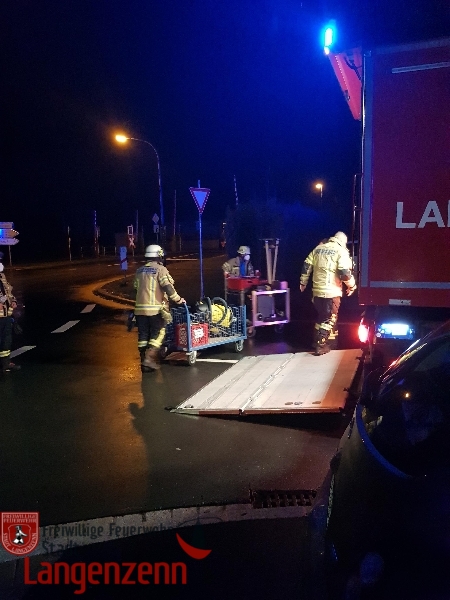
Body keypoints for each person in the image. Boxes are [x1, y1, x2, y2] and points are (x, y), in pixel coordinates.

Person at [300, 232, 357, 355]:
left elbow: (306, 265)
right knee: (330, 319)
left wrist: (303, 282)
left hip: (316, 292)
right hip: (331, 292)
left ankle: (316, 341)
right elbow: (344, 273)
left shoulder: (318, 248)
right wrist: (352, 286)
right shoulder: (341, 251)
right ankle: (321, 345)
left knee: (322, 317)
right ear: (343, 241)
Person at [134, 244, 185, 372]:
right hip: (155, 309)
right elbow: (167, 287)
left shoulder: (139, 271)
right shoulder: (160, 270)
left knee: (143, 335)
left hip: (139, 310)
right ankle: (149, 359)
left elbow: (135, 288)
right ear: (159, 256)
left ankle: (144, 361)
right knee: (159, 333)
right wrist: (178, 299)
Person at [0, 252, 21, 373]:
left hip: (6, 315)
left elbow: (8, 291)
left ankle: (5, 364)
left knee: (6, 340)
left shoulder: (2, 276)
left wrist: (13, 300)